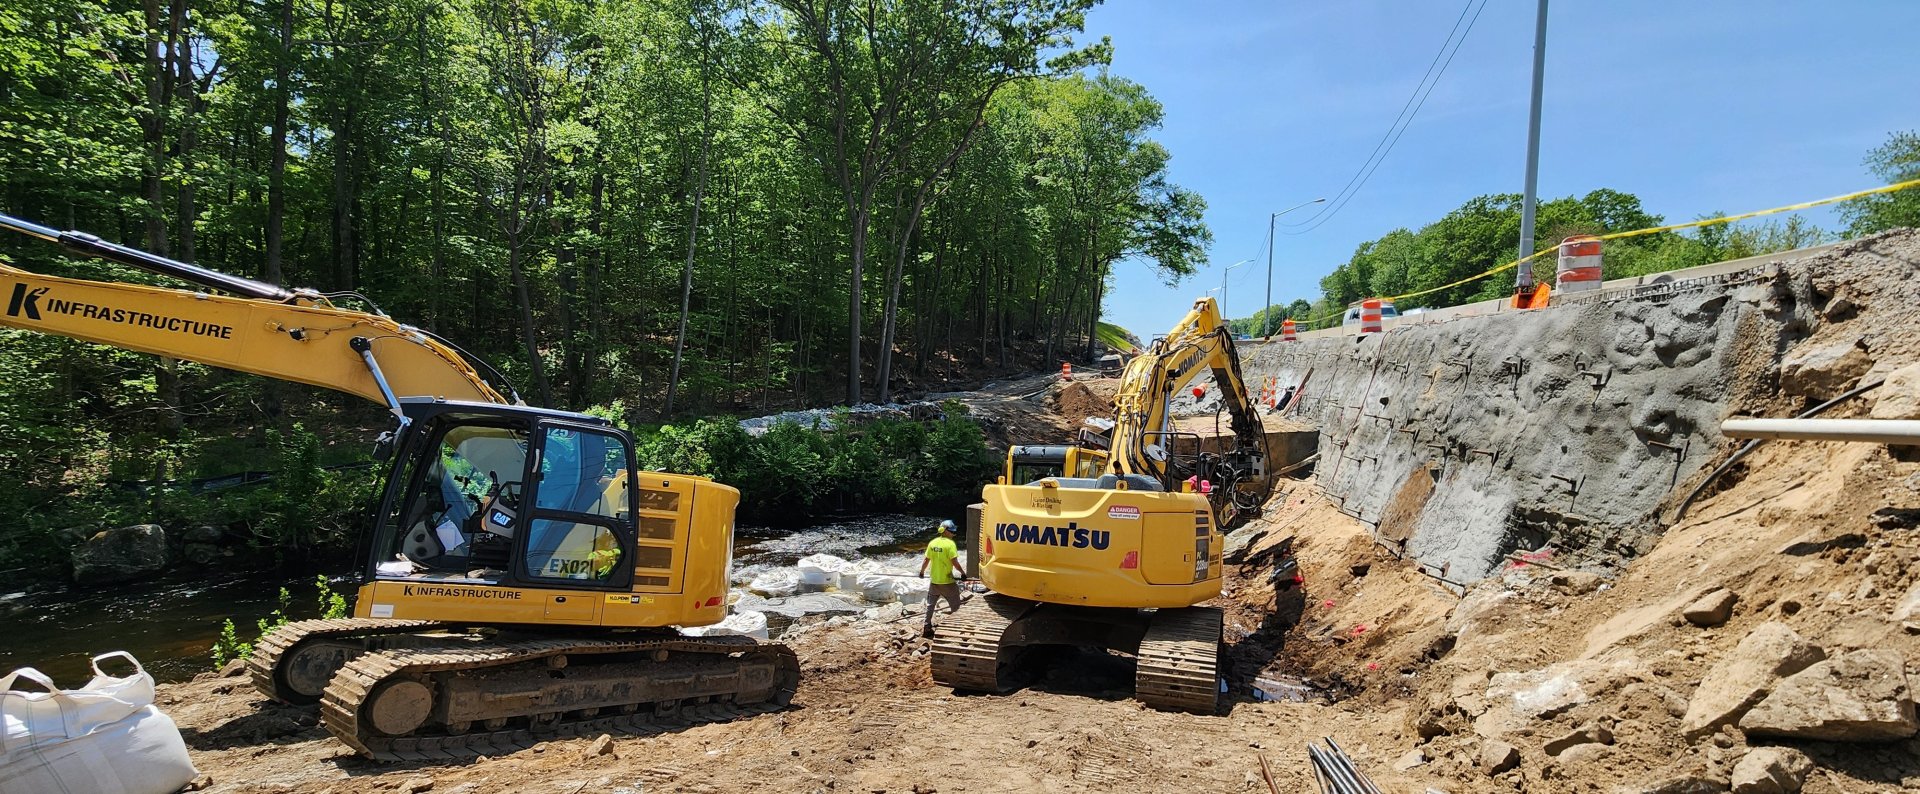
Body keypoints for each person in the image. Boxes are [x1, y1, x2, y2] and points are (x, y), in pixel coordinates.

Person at [918, 520, 967, 637]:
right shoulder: (950, 544)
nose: (953, 534)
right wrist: (963, 573)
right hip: (948, 582)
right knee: (955, 605)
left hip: (934, 581)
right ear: (946, 531)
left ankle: (927, 626)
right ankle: (957, 627)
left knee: (930, 605)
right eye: (952, 531)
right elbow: (954, 562)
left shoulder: (933, 543)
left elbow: (926, 560)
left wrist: (921, 572)